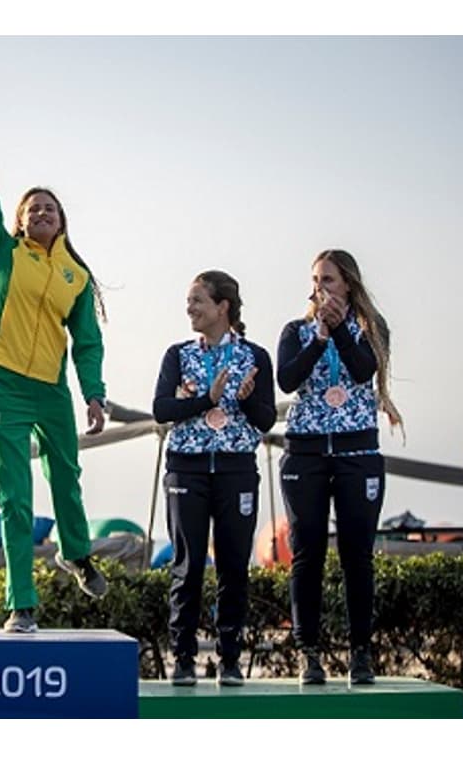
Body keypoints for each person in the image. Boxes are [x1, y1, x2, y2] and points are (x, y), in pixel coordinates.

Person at [0, 84, 110, 635]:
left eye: (49, 208)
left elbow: (87, 342)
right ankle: (20, 603)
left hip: (51, 389)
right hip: (2, 384)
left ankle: (76, 553)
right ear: (20, 222)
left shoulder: (76, 274)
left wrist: (93, 392)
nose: (41, 212)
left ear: (61, 220)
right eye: (32, 209)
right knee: (15, 496)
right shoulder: (3, 253)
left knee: (67, 476)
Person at [276, 248, 402, 686]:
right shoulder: (296, 330)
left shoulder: (371, 328)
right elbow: (287, 379)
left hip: (356, 454)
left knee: (357, 556)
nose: (319, 288)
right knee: (307, 552)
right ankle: (307, 652)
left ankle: (361, 653)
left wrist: (342, 332)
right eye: (315, 280)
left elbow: (364, 369)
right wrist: (319, 338)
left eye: (327, 280)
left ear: (347, 283)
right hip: (305, 452)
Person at [152, 270, 276, 686]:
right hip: (186, 469)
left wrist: (247, 399)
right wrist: (206, 399)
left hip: (236, 470)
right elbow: (162, 409)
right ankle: (183, 658)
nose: (189, 308)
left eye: (197, 301)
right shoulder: (178, 354)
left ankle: (229, 660)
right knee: (187, 567)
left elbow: (265, 419)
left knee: (233, 568)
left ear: (222, 307)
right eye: (189, 302)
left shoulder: (255, 356)